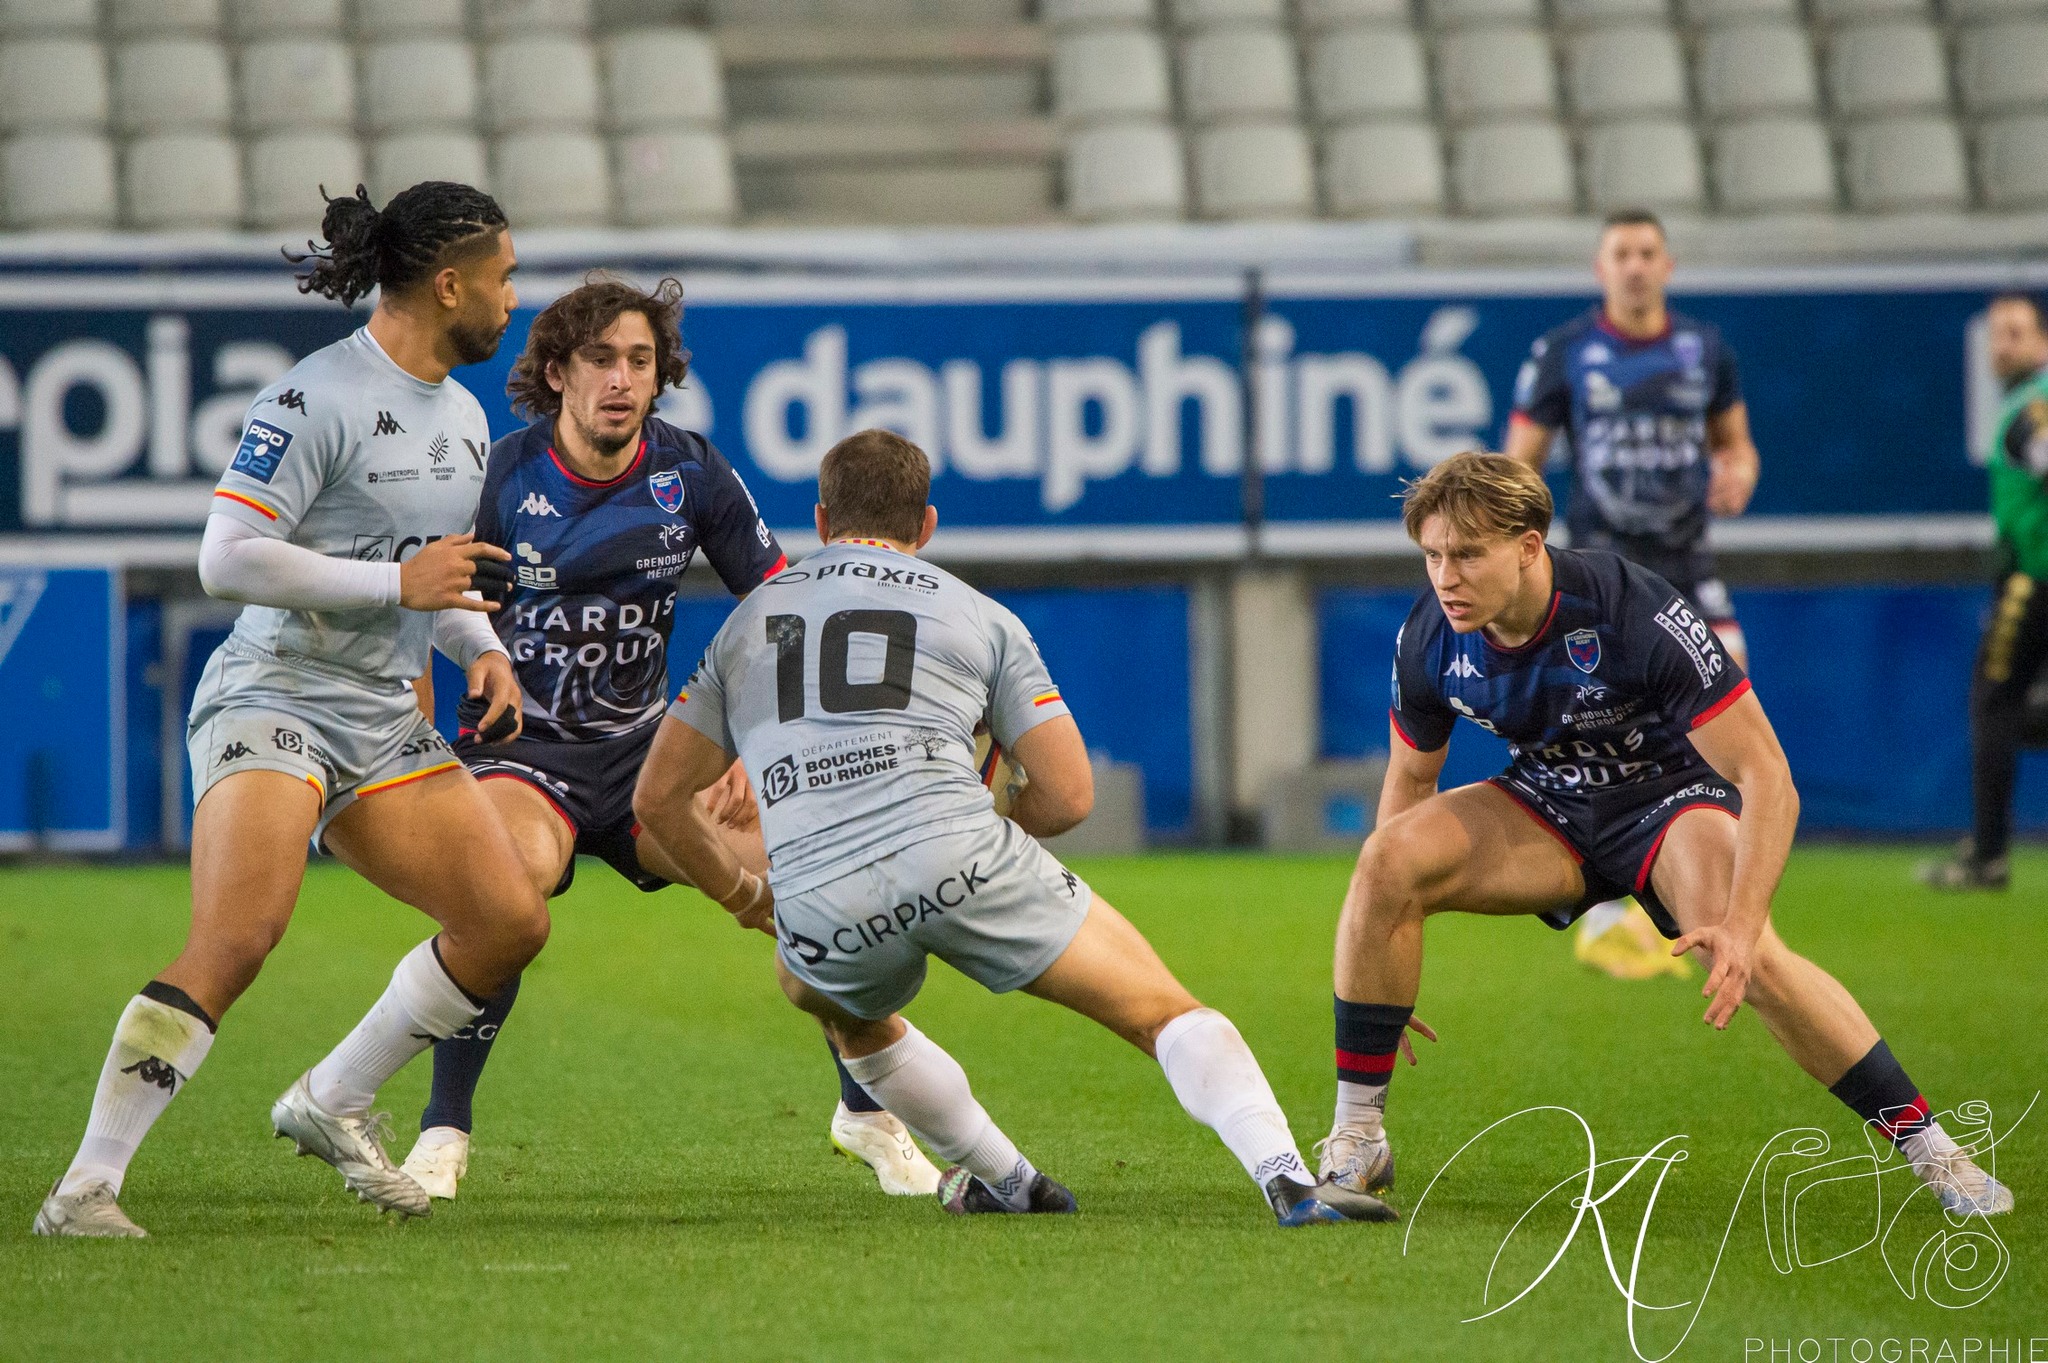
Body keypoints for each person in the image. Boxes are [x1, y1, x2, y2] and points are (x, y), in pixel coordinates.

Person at [633, 429, 1395, 1226]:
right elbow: (1069, 796)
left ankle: (1008, 1177)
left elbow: (657, 802)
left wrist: (744, 892)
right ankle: (1288, 1180)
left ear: (821, 521)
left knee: (829, 1000)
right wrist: (987, 818)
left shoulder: (745, 623)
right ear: (925, 525)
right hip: (963, 854)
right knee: (1163, 1011)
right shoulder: (978, 613)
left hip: (822, 900)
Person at [1313, 452, 2012, 1219]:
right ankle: (1359, 1134)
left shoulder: (1629, 609)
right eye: (1434, 554)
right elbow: (1410, 787)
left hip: (1669, 799)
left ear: (1528, 545)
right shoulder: (1431, 636)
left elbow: (1768, 776)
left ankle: (1933, 1149)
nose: (1446, 575)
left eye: (1467, 554)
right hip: (1550, 803)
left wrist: (1743, 929)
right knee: (1383, 858)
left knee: (1763, 966)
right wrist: (1385, 944)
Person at [35, 183, 543, 1237]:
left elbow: (429, 578)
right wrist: (400, 592)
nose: (511, 301)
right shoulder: (315, 398)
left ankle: (332, 1097)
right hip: (274, 693)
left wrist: (484, 650)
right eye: (502, 280)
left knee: (507, 922)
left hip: (379, 716)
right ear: (449, 284)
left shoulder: (461, 412)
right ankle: (83, 1189)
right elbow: (225, 557)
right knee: (239, 935)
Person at [398, 276, 939, 1200]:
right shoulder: (497, 474)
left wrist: (756, 749)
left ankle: (868, 1110)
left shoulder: (689, 472)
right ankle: (443, 1129)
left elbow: (781, 613)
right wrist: (413, 741)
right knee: (507, 889)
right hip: (522, 752)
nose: (621, 379)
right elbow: (421, 609)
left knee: (817, 867)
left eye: (639, 361)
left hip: (649, 756)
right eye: (601, 359)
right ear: (559, 372)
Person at [1503, 207, 1760, 980]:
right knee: (1611, 728)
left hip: (1687, 560)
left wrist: (1741, 469)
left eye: (1649, 252)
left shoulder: (1705, 351)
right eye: (1622, 253)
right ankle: (1617, 909)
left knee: (1731, 717)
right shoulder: (1565, 352)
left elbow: (1735, 443)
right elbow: (1519, 465)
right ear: (1601, 268)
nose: (1636, 265)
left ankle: (1708, 897)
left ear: (1668, 266)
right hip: (1604, 575)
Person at [1919, 293, 2048, 890]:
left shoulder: (2032, 405)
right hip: (2029, 571)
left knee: (1994, 705)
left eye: (2017, 333)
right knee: (2011, 708)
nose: (2003, 345)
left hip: (2034, 576)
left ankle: (1989, 857)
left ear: (2042, 342)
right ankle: (1988, 850)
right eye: (1998, 334)